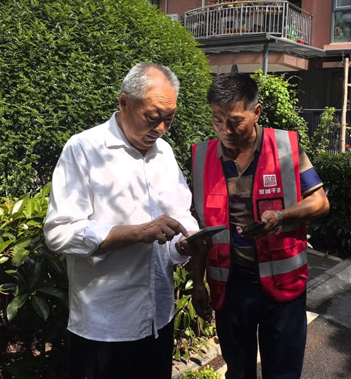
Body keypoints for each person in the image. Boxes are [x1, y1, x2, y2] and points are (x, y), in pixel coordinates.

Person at [44, 62, 208, 379]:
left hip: (158, 319)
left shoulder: (164, 154)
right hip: (104, 326)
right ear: (124, 103)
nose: (161, 128)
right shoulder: (84, 149)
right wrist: (138, 232)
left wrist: (185, 243)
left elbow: (178, 217)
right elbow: (59, 232)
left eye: (169, 119)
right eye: (152, 117)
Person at [191, 73, 330, 379]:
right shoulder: (202, 157)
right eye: (217, 120)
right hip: (230, 287)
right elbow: (201, 229)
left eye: (235, 121)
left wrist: (281, 216)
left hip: (283, 287)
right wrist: (198, 282)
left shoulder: (285, 147)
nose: (225, 131)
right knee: (238, 372)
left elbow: (320, 202)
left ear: (256, 112)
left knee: (282, 373)